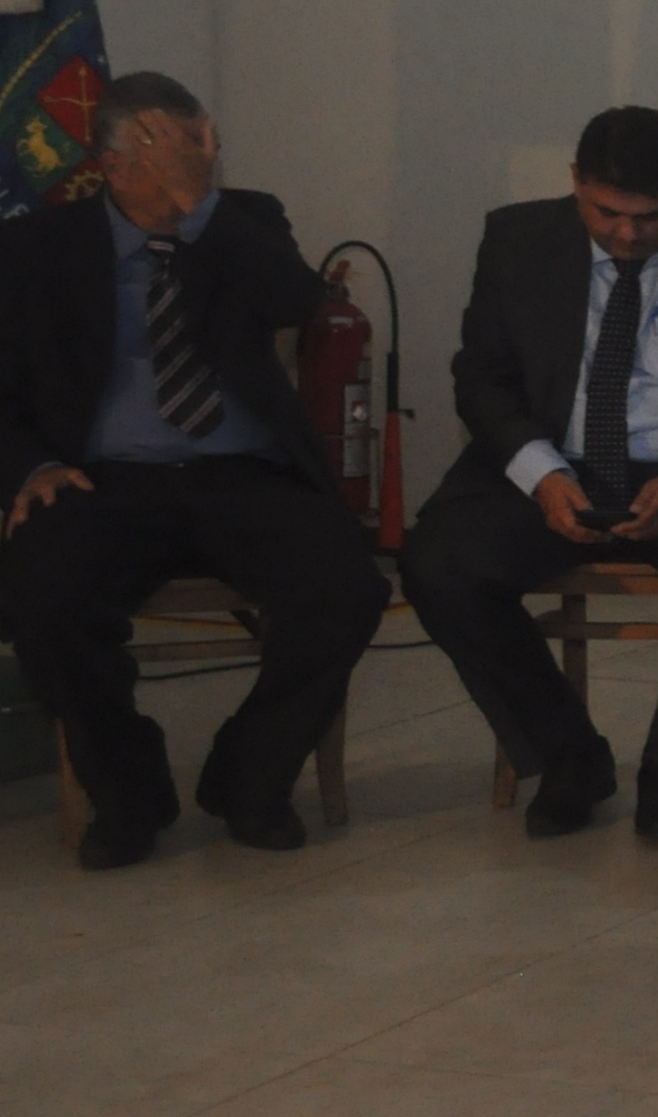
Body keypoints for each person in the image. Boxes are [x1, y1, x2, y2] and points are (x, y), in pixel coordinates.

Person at [0, 73, 388, 867]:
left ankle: (249, 779)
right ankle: (129, 795)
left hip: (240, 470)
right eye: (172, 154)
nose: (196, 166)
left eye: (202, 149)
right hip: (100, 477)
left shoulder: (244, 220)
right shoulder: (37, 246)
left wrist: (196, 203)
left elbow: (298, 301)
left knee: (348, 585)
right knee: (43, 597)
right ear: (112, 166)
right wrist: (29, 465)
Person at [401, 107, 658, 843]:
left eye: (652, 216)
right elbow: (482, 377)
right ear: (575, 183)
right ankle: (569, 759)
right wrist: (542, 474)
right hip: (557, 457)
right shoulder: (518, 238)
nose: (628, 234)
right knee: (439, 564)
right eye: (607, 213)